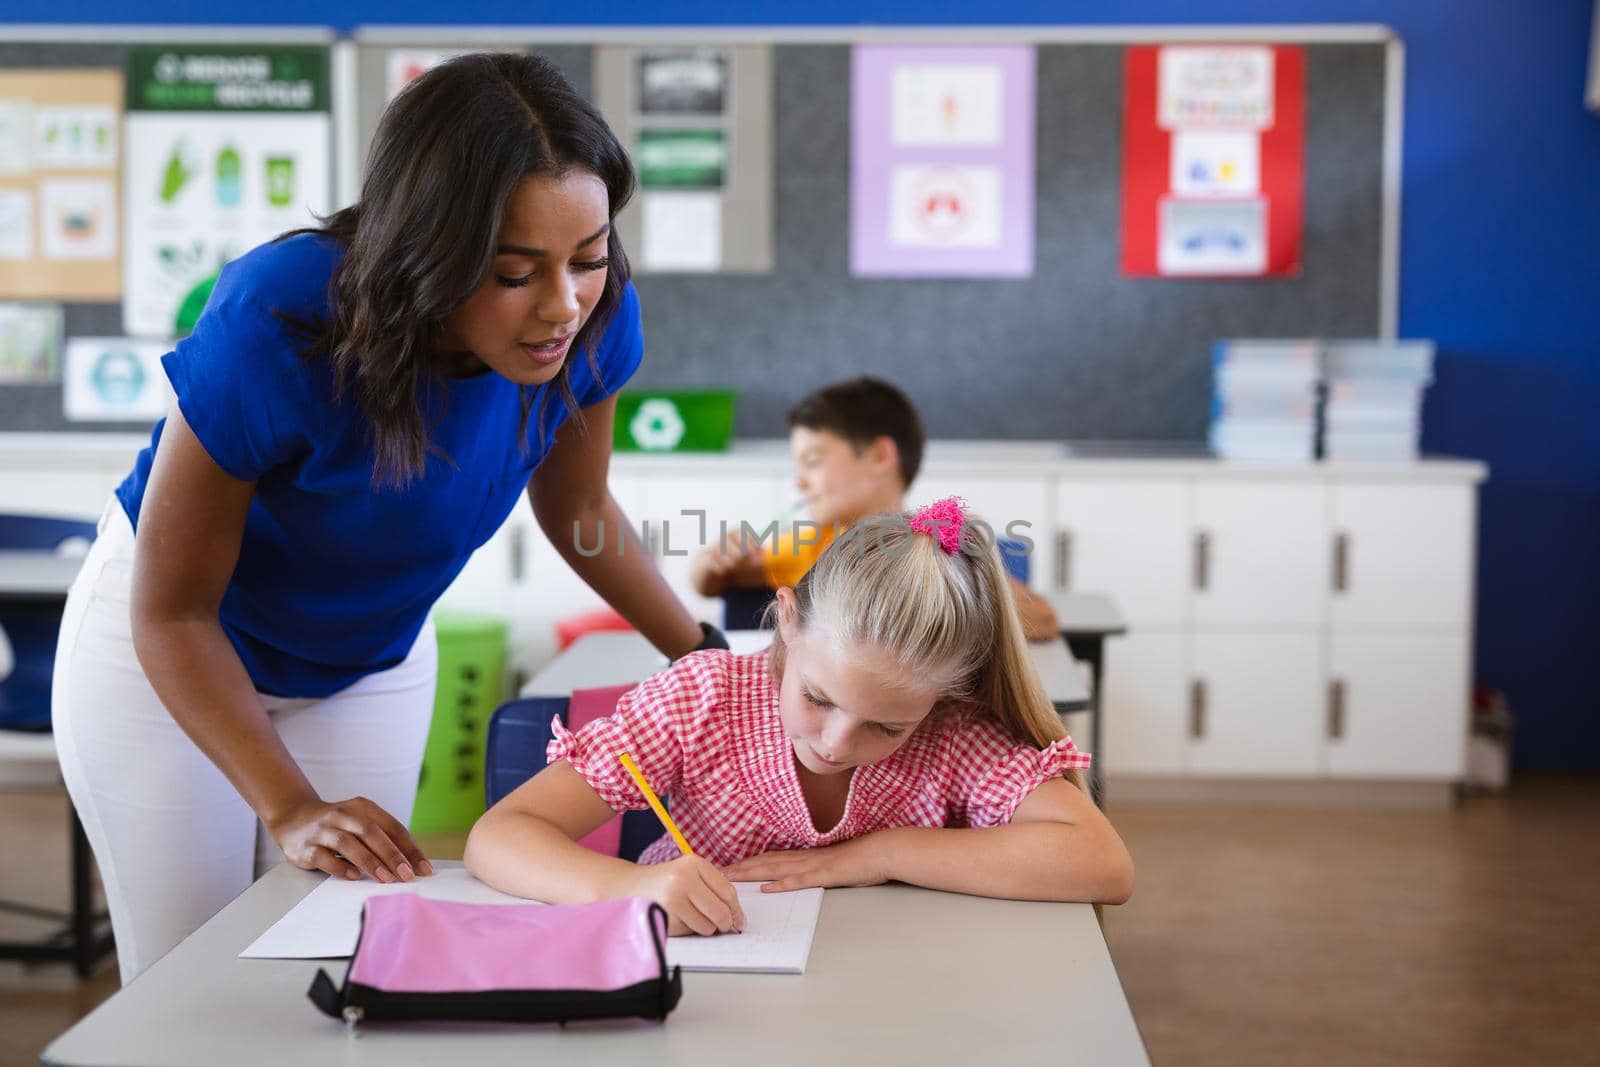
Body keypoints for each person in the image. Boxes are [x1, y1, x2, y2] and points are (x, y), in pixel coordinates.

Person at [52, 53, 725, 983]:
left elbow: (576, 510)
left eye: (590, 258)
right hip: (172, 657)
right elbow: (173, 611)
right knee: (189, 983)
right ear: (433, 251)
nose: (564, 305)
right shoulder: (279, 317)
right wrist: (289, 806)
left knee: (332, 955)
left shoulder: (596, 321)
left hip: (368, 658)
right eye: (516, 272)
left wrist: (704, 658)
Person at [465, 499, 1133, 936]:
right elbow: (499, 836)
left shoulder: (952, 732)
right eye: (818, 697)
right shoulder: (702, 699)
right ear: (786, 618)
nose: (838, 742)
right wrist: (630, 885)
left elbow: (1103, 862)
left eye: (887, 727)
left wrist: (879, 854)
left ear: (944, 699)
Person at [689, 376, 1061, 639]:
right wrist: (712, 562)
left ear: (881, 455)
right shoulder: (812, 546)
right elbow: (716, 582)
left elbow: (1043, 619)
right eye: (798, 466)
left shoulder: (932, 548)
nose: (800, 481)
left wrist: (949, 594)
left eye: (814, 461)